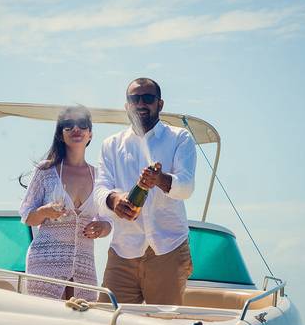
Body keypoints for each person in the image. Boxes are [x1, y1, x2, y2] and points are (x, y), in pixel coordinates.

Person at [94, 78, 197, 305]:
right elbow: (100, 188)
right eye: (134, 99)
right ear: (127, 105)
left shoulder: (180, 138)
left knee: (164, 323)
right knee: (109, 320)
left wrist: (160, 180)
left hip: (168, 249)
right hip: (123, 249)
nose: (141, 104)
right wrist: (114, 200)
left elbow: (186, 186)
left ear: (160, 104)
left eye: (148, 98)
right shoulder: (111, 144)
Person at [19, 105, 112, 301]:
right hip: (45, 263)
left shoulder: (99, 176)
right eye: (68, 125)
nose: (76, 129)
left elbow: (108, 221)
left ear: (90, 134)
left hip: (84, 265)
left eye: (82, 124)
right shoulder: (46, 171)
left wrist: (102, 227)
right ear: (61, 135)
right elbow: (27, 216)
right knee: (46, 318)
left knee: (83, 316)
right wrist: (44, 211)